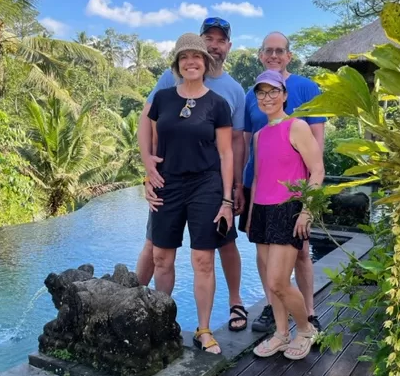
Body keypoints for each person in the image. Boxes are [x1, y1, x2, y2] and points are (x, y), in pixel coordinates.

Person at [136, 17, 249, 332]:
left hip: (210, 182)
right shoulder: (166, 85)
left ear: (225, 47)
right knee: (155, 247)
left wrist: (235, 187)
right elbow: (148, 124)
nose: (213, 45)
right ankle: (136, 303)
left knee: (221, 246)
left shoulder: (232, 91)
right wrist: (148, 164)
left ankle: (233, 303)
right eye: (207, 39)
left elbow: (235, 144)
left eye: (219, 40)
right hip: (169, 179)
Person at [239, 32, 326, 333]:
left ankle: (307, 318)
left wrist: (308, 206)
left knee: (298, 257)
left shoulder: (304, 94)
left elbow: (317, 160)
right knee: (268, 269)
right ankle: (279, 327)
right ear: (261, 55)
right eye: (268, 51)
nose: (267, 97)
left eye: (280, 51)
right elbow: (251, 155)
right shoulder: (254, 108)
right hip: (260, 198)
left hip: (292, 197)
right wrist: (245, 201)